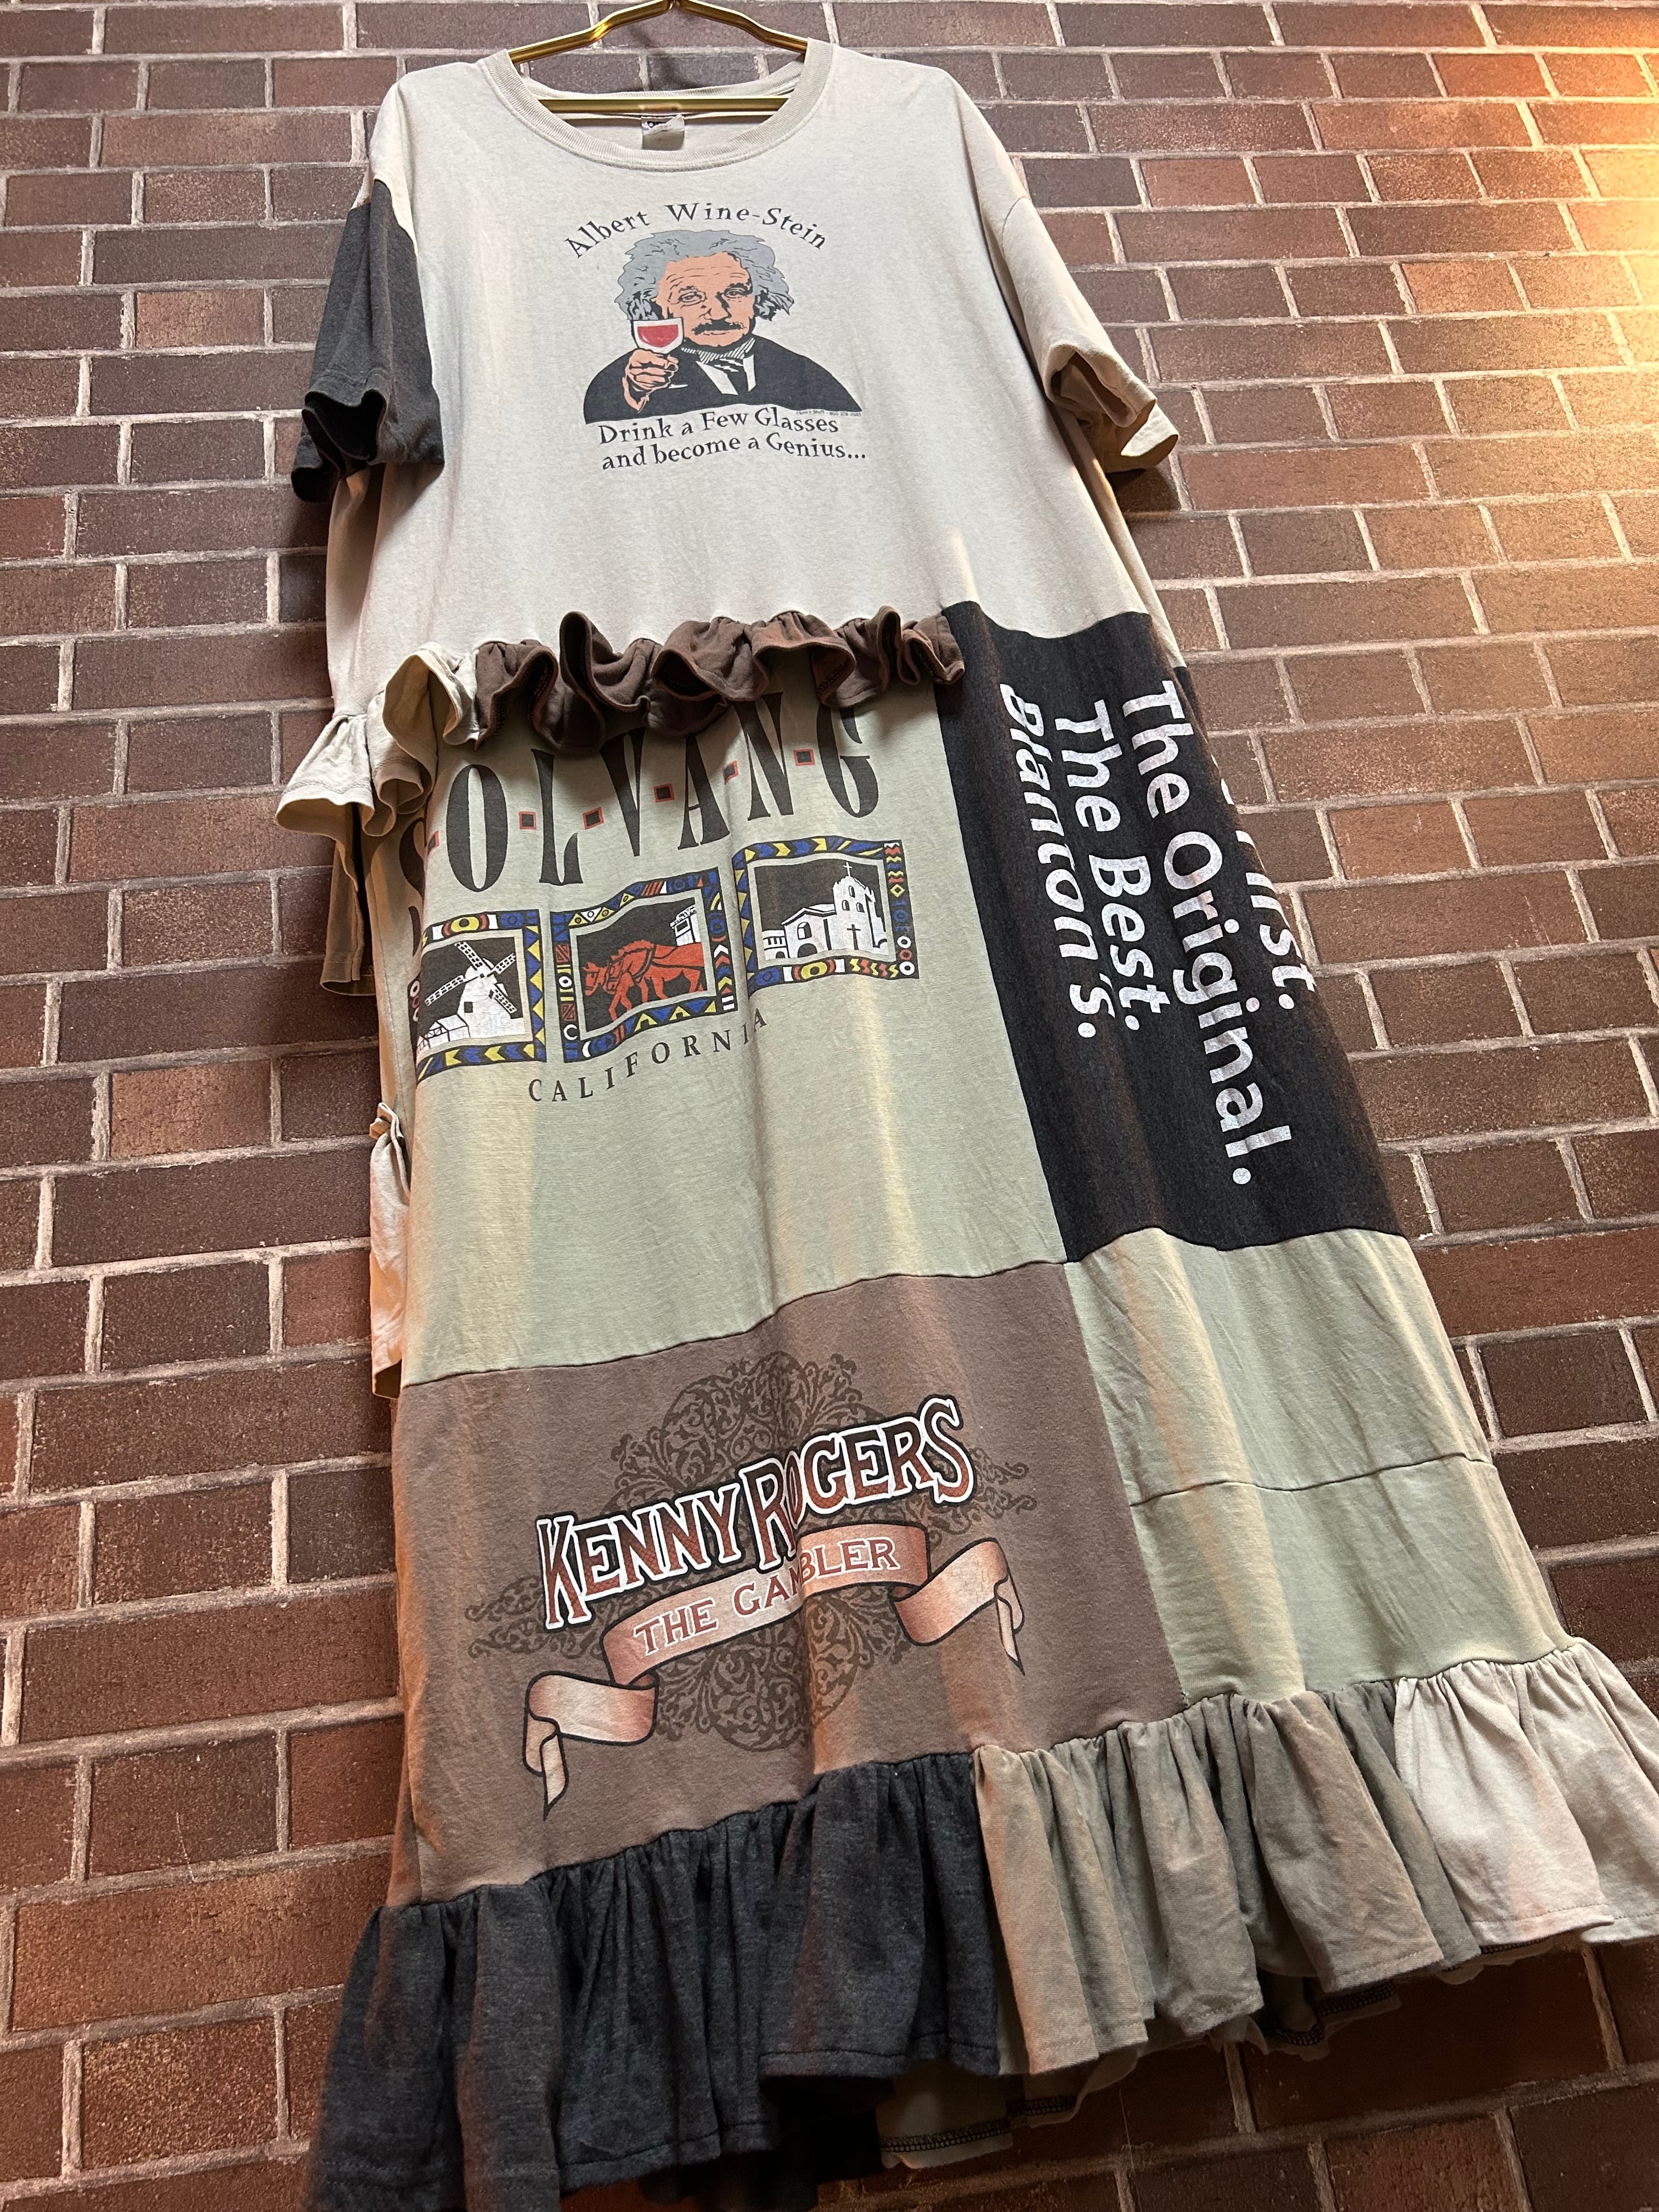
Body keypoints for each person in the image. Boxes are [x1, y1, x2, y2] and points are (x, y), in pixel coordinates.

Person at [583, 227, 860, 421]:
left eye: (734, 293)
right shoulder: (629, 379)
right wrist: (635, 393)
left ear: (759, 296)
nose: (718, 313)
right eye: (690, 297)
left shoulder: (800, 370)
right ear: (654, 305)